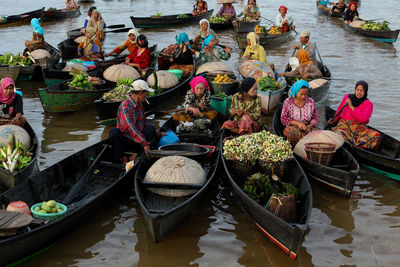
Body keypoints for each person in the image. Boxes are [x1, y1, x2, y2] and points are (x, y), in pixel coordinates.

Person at [110, 80, 157, 162]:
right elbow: (130, 127)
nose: (147, 95)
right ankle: (122, 158)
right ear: (141, 92)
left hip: (136, 140)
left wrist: (158, 133)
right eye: (146, 93)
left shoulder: (140, 105)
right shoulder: (125, 105)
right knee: (114, 132)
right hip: (125, 140)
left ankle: (137, 154)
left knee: (151, 128)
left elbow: (143, 125)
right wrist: (145, 144)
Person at [328, 81, 381, 149]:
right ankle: (356, 144)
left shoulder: (368, 104)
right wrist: (334, 120)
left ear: (365, 92)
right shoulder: (347, 97)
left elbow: (364, 119)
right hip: (344, 126)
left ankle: (355, 144)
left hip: (359, 128)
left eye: (362, 90)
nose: (359, 92)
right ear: (355, 90)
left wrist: (352, 107)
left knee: (377, 135)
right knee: (339, 134)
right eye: (357, 90)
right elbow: (339, 110)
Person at [281, 80, 318, 146]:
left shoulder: (311, 102)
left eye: (306, 94)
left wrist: (310, 125)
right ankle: (299, 145)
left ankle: (306, 142)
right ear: (295, 92)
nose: (303, 96)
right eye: (301, 94)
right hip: (294, 128)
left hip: (307, 128)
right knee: (288, 132)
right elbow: (283, 118)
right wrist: (297, 124)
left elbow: (315, 118)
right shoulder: (288, 102)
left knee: (319, 135)